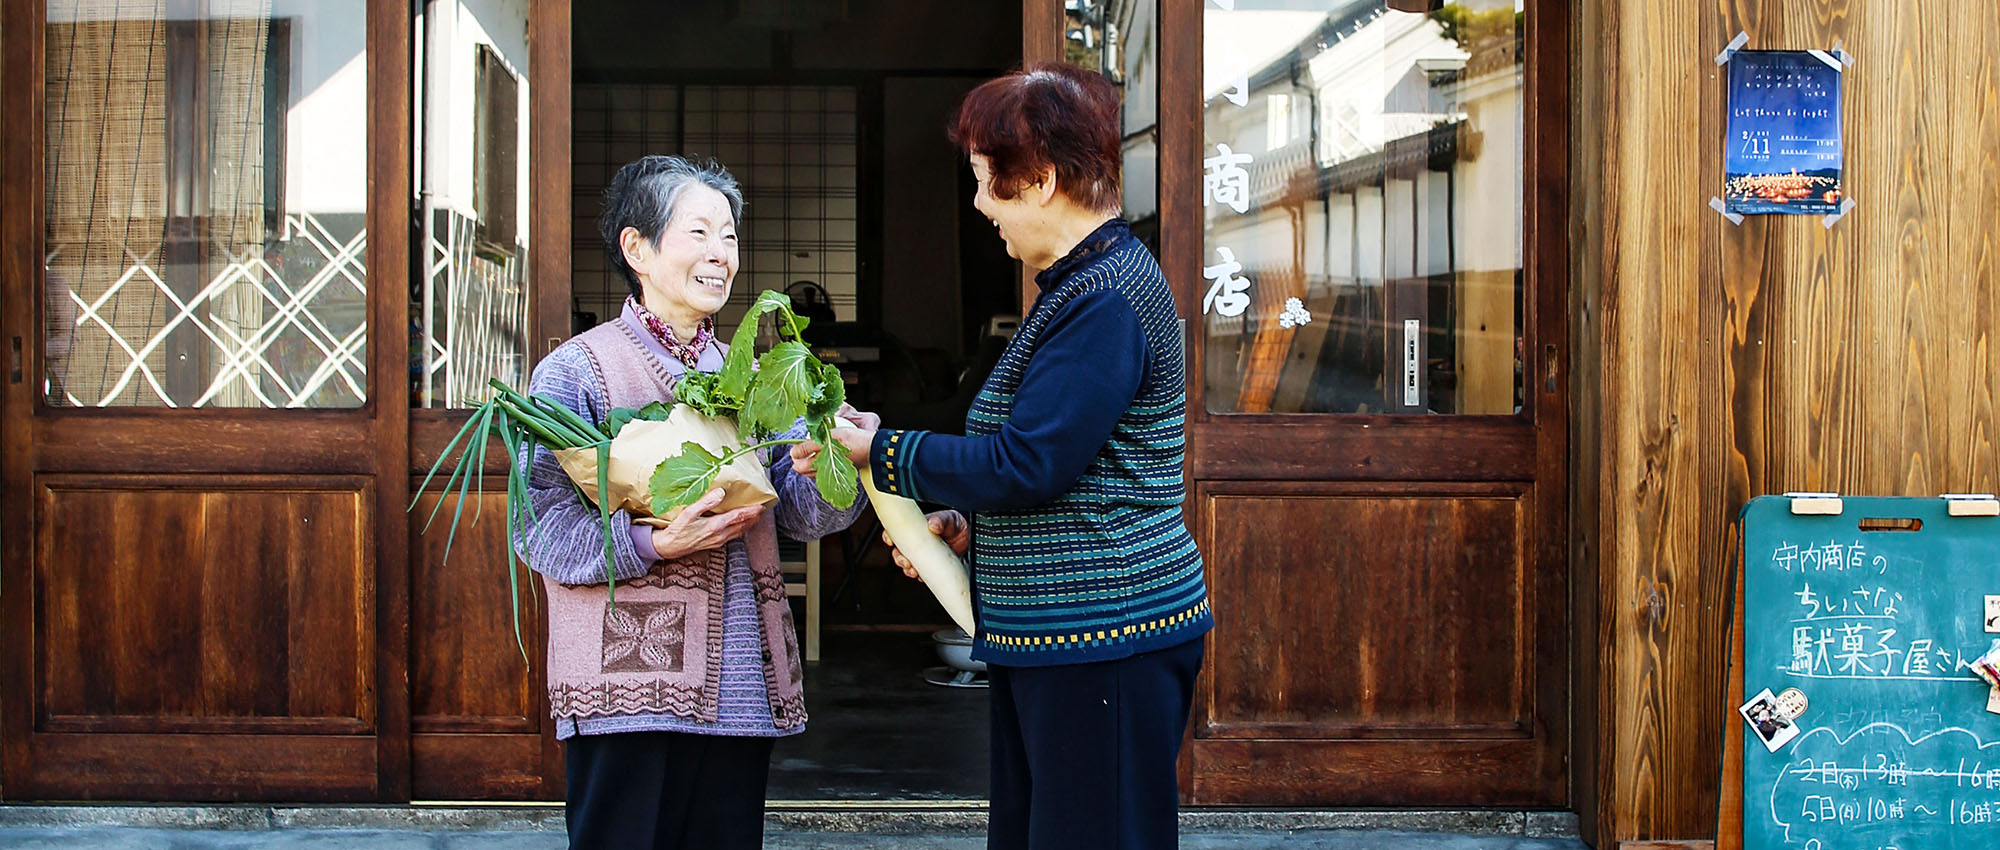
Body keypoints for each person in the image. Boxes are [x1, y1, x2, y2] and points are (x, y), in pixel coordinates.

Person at [793, 63, 1212, 850]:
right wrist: (967, 528)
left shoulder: (1105, 298)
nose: (981, 206)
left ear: (1043, 179)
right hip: (1070, 632)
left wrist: (882, 452)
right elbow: (1075, 469)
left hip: (1107, 633)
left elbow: (1033, 462)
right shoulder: (1080, 285)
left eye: (989, 184)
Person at [514, 154, 874, 850]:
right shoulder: (577, 370)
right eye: (699, 233)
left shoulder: (750, 376)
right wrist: (649, 545)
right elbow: (540, 525)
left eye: (730, 236)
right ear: (637, 248)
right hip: (626, 689)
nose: (721, 254)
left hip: (738, 680)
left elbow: (801, 513)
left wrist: (841, 458)